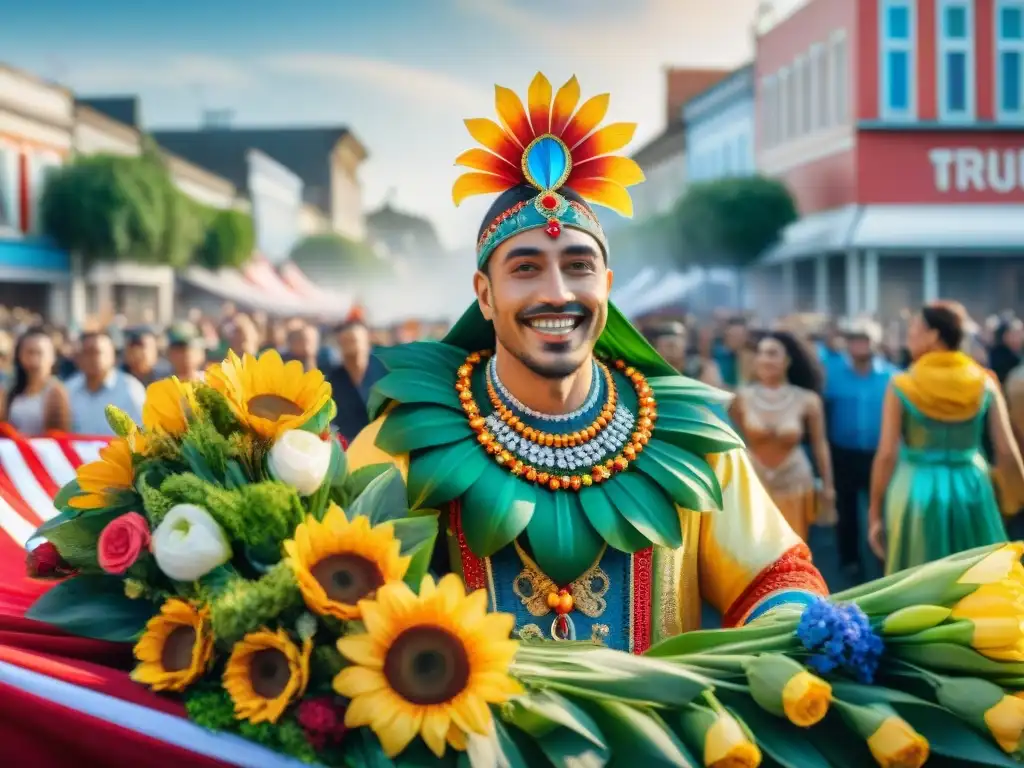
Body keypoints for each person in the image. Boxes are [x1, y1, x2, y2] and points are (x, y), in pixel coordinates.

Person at [346, 73, 827, 651]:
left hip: (667, 739)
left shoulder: (691, 439)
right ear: (484, 293)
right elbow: (341, 602)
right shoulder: (405, 439)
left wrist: (803, 638)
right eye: (525, 268)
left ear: (607, 285)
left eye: (578, 266)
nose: (558, 292)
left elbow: (774, 578)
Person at [868, 302, 1023, 573]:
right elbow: (1007, 450)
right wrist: (1014, 500)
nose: (909, 335)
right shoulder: (984, 381)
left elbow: (886, 454)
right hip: (973, 486)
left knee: (918, 584)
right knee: (977, 580)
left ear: (934, 335)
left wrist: (874, 511)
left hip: (916, 490)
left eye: (915, 328)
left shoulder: (902, 384)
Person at [730, 332, 834, 542]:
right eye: (760, 353)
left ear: (787, 361)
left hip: (795, 483)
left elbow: (820, 445)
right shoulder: (741, 397)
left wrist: (828, 488)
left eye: (772, 353)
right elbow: (740, 438)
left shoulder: (808, 400)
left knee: (791, 552)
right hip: (755, 483)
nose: (764, 359)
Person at [824, 321, 896, 580]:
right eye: (853, 339)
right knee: (847, 509)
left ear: (875, 342)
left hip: (881, 454)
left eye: (864, 339)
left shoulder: (892, 376)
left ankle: (885, 557)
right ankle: (850, 560)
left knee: (883, 507)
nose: (858, 345)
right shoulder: (832, 373)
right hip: (844, 452)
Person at [65, 331, 145, 435]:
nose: (91, 358)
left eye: (97, 352)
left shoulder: (131, 390)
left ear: (112, 356)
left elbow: (142, 433)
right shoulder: (68, 390)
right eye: (86, 352)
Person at [327, 308, 386, 445]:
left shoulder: (385, 372)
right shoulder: (333, 380)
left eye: (354, 340)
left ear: (367, 340)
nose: (351, 346)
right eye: (346, 341)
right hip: (347, 449)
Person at [0, 327, 71, 435]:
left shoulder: (56, 392)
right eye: (29, 352)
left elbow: (58, 435)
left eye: (39, 353)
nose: (34, 359)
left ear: (52, 357)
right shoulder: (10, 389)